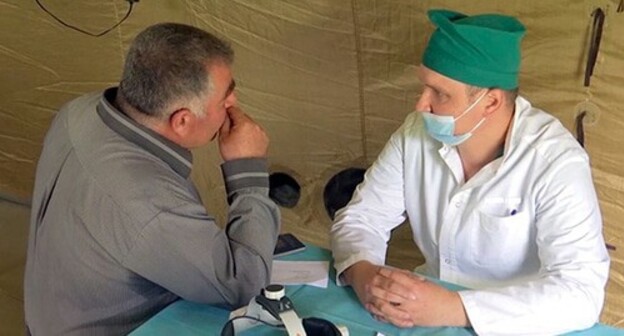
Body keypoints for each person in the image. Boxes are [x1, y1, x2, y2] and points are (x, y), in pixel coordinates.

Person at [330, 9, 610, 335]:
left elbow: (580, 293)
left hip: (519, 324)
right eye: (424, 87)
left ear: (490, 103)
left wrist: (454, 308)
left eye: (440, 93)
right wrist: (365, 276)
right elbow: (363, 217)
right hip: (423, 312)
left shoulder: (555, 162)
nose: (421, 105)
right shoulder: (415, 134)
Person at [24, 23, 280, 335]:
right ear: (182, 120)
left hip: (54, 313)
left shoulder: (78, 110)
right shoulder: (147, 201)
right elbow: (244, 285)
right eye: (225, 100)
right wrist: (248, 169)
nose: (233, 104)